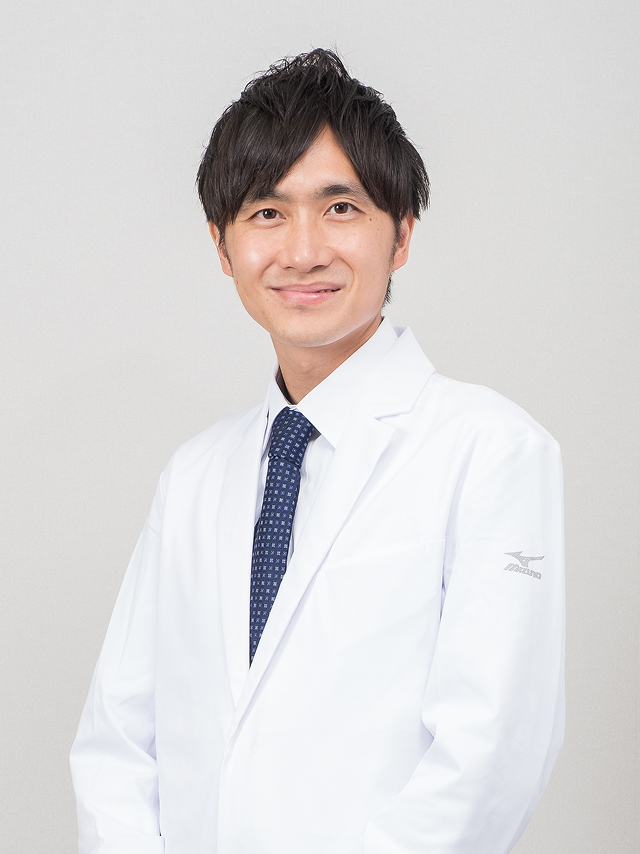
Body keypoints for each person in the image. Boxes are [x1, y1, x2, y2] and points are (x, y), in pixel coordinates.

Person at [70, 49, 564, 854]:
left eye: (340, 208)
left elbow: (490, 755)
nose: (302, 251)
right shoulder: (194, 475)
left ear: (401, 235)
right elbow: (118, 744)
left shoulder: (491, 451)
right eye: (267, 212)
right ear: (222, 247)